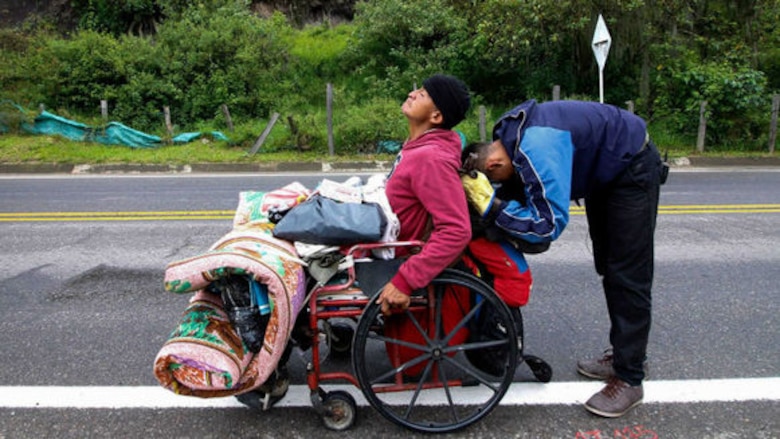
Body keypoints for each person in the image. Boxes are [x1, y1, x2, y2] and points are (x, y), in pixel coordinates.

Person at [460, 99, 668, 418]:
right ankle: (627, 353)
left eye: (498, 181)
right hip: (605, 169)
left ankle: (629, 377)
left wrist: (495, 208)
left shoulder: (535, 150)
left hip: (631, 168)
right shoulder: (509, 134)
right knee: (609, 266)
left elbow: (547, 226)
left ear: (492, 167)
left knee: (627, 274)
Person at [374, 74, 472, 315]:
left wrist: (406, 279)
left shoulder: (431, 158)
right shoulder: (417, 146)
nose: (412, 94)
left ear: (436, 116)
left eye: (423, 94)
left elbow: (456, 230)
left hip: (388, 249)